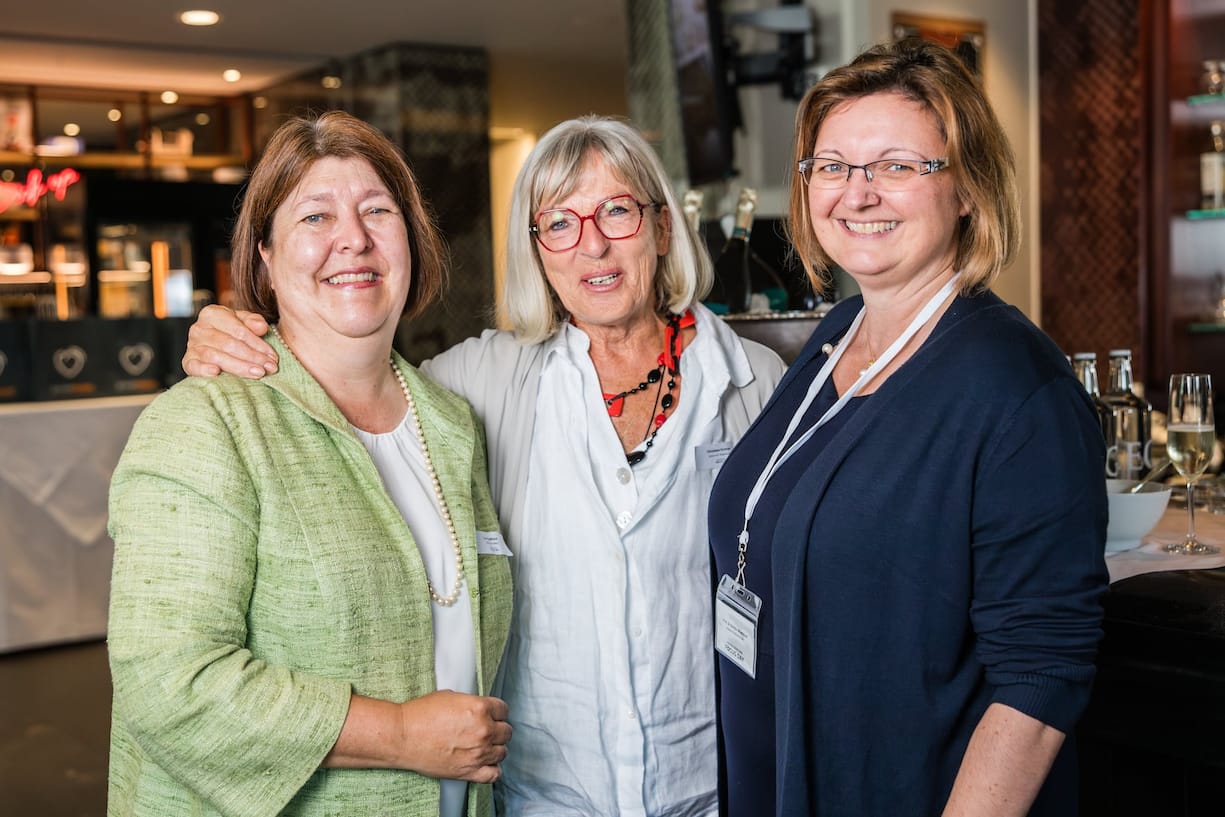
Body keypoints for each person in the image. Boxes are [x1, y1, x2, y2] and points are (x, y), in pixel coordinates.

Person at [182, 114, 788, 816]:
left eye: (615, 211)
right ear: (536, 251)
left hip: (711, 789)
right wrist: (235, 334)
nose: (590, 242)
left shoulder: (754, 382)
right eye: (557, 222)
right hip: (544, 795)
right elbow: (344, 385)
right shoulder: (480, 380)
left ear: (659, 228)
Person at [707, 38, 1110, 817]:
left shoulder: (1015, 389)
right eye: (832, 166)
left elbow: (1038, 676)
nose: (857, 194)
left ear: (965, 189)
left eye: (896, 166)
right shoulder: (835, 337)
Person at [106, 110, 513, 817]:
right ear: (263, 255)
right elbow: (168, 680)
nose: (352, 239)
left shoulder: (453, 424)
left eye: (376, 210)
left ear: (411, 239)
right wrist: (400, 735)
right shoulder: (205, 424)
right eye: (315, 217)